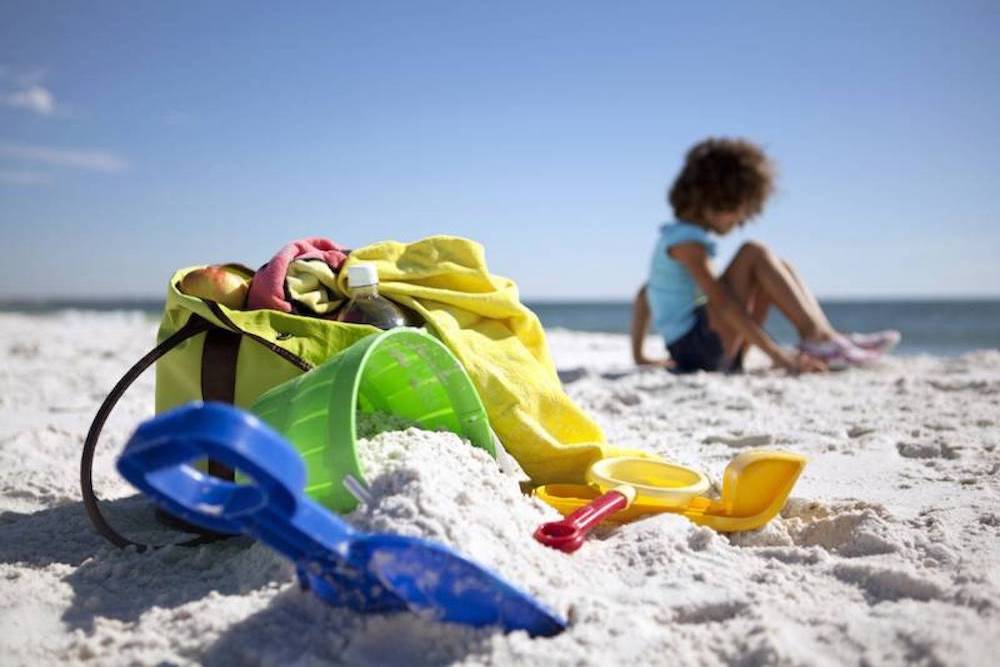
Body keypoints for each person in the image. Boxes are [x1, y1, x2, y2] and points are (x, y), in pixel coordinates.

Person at [631, 137, 899, 373]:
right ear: (719, 200)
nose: (744, 221)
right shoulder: (688, 243)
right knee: (754, 253)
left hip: (698, 350)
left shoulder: (675, 238)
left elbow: (645, 294)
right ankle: (819, 339)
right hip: (700, 350)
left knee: (777, 267)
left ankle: (825, 336)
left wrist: (640, 356)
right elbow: (724, 304)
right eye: (742, 212)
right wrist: (780, 357)